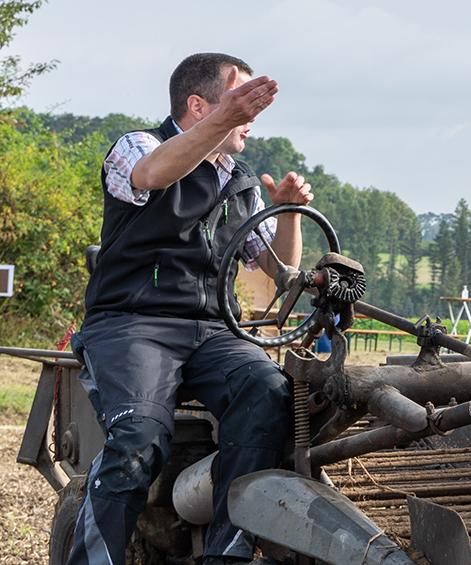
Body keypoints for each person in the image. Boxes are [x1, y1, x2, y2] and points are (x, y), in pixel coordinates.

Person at [67, 53, 310, 565]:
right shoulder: (138, 146)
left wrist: (290, 211)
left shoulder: (238, 180)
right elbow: (151, 175)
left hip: (214, 331)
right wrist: (228, 117)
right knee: (138, 437)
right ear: (198, 105)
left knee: (268, 395)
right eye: (238, 100)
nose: (249, 118)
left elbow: (277, 264)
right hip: (134, 323)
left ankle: (227, 555)